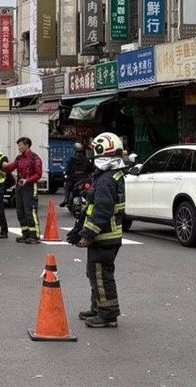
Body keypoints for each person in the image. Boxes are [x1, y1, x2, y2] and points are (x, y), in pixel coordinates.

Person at [67, 132, 126, 328]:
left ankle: (107, 315)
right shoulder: (111, 175)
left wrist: (88, 235)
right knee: (94, 273)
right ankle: (98, 308)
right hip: (109, 236)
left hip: (104, 237)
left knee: (101, 275)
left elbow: (102, 210)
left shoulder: (106, 180)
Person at [3, 137, 43, 244]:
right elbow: (10, 167)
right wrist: (3, 165)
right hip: (20, 187)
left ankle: (35, 236)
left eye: (20, 145)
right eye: (18, 146)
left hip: (30, 187)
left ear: (27, 145)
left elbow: (38, 174)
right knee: (20, 211)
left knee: (30, 211)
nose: (19, 148)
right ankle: (25, 234)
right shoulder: (19, 158)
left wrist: (27, 180)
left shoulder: (35, 158)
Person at [59, 142, 93, 207]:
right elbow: (91, 169)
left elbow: (68, 170)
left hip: (74, 180)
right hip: (84, 180)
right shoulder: (86, 160)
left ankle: (66, 199)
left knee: (67, 186)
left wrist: (65, 175)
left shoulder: (72, 160)